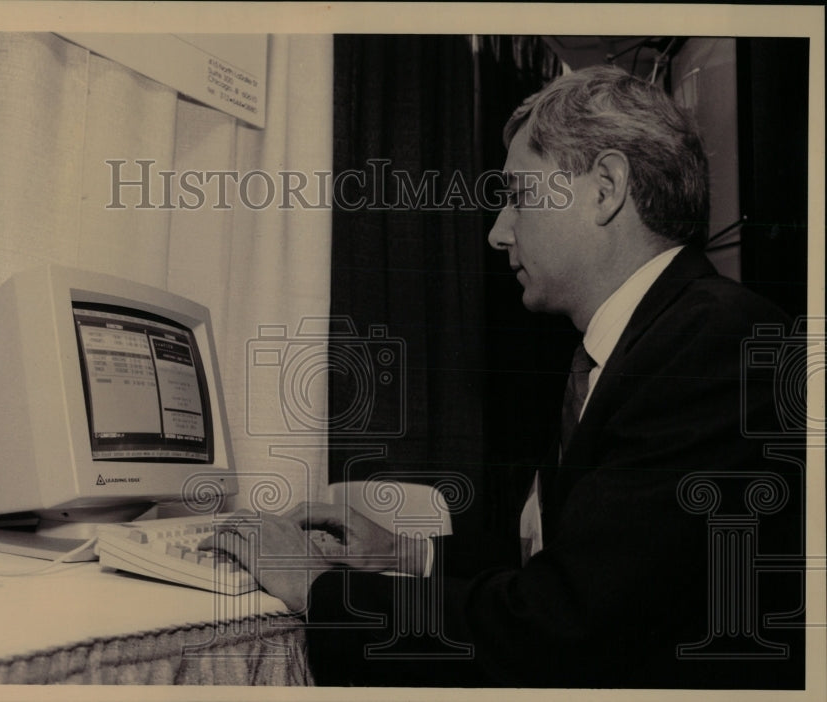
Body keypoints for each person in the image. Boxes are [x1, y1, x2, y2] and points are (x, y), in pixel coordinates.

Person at [202, 65, 805, 688]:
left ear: (606, 188)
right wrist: (408, 551)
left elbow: (565, 628)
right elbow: (579, 560)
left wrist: (318, 586)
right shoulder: (647, 341)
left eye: (519, 194)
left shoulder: (713, 344)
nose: (498, 232)